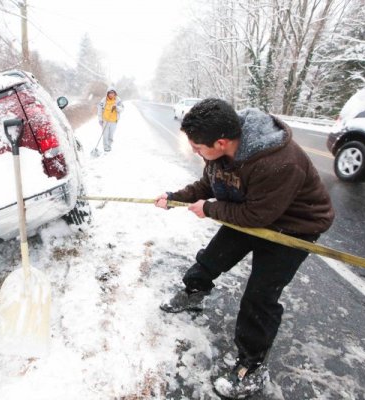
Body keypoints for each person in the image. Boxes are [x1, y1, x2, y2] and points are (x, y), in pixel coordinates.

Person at [154, 98, 334, 399]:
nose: (196, 152)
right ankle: (193, 293)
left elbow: (256, 216)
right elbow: (209, 187)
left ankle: (251, 365)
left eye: (199, 148)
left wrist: (210, 209)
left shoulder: (277, 161)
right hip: (252, 210)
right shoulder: (219, 153)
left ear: (221, 142)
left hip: (293, 227)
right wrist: (175, 198)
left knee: (260, 296)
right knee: (212, 258)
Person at [97, 87, 124, 152]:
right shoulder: (103, 100)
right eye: (110, 93)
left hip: (114, 121)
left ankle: (109, 146)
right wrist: (100, 119)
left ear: (115, 94)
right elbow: (99, 110)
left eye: (112, 93)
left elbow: (122, 109)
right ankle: (106, 148)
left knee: (111, 135)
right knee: (105, 135)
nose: (111, 94)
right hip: (105, 120)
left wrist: (116, 107)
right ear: (107, 93)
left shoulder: (118, 100)